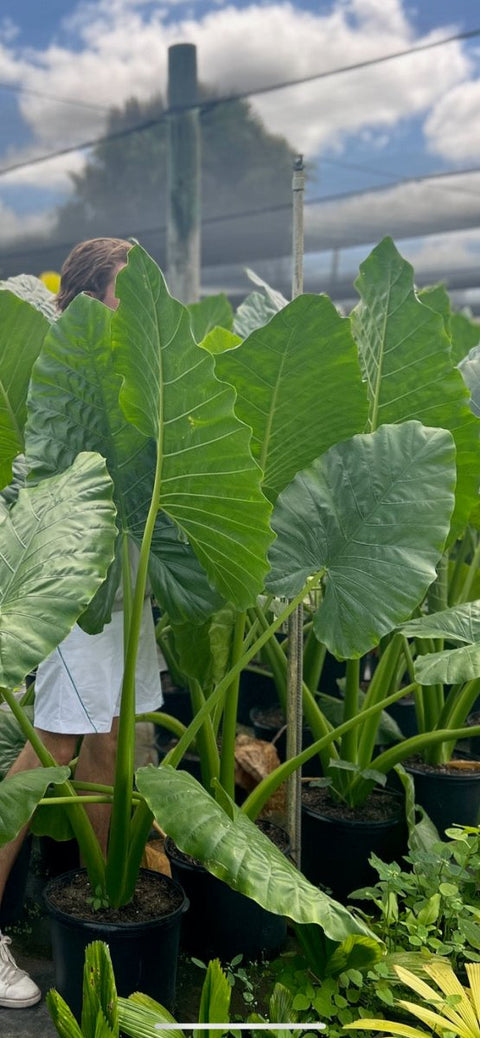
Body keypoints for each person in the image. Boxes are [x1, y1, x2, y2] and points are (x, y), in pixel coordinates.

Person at [0, 238, 163, 1009]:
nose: (143, 308)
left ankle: (112, 896)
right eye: (131, 292)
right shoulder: (73, 368)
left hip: (125, 580)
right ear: (93, 299)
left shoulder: (136, 369)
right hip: (75, 580)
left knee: (105, 738)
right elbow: (56, 475)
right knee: (52, 745)